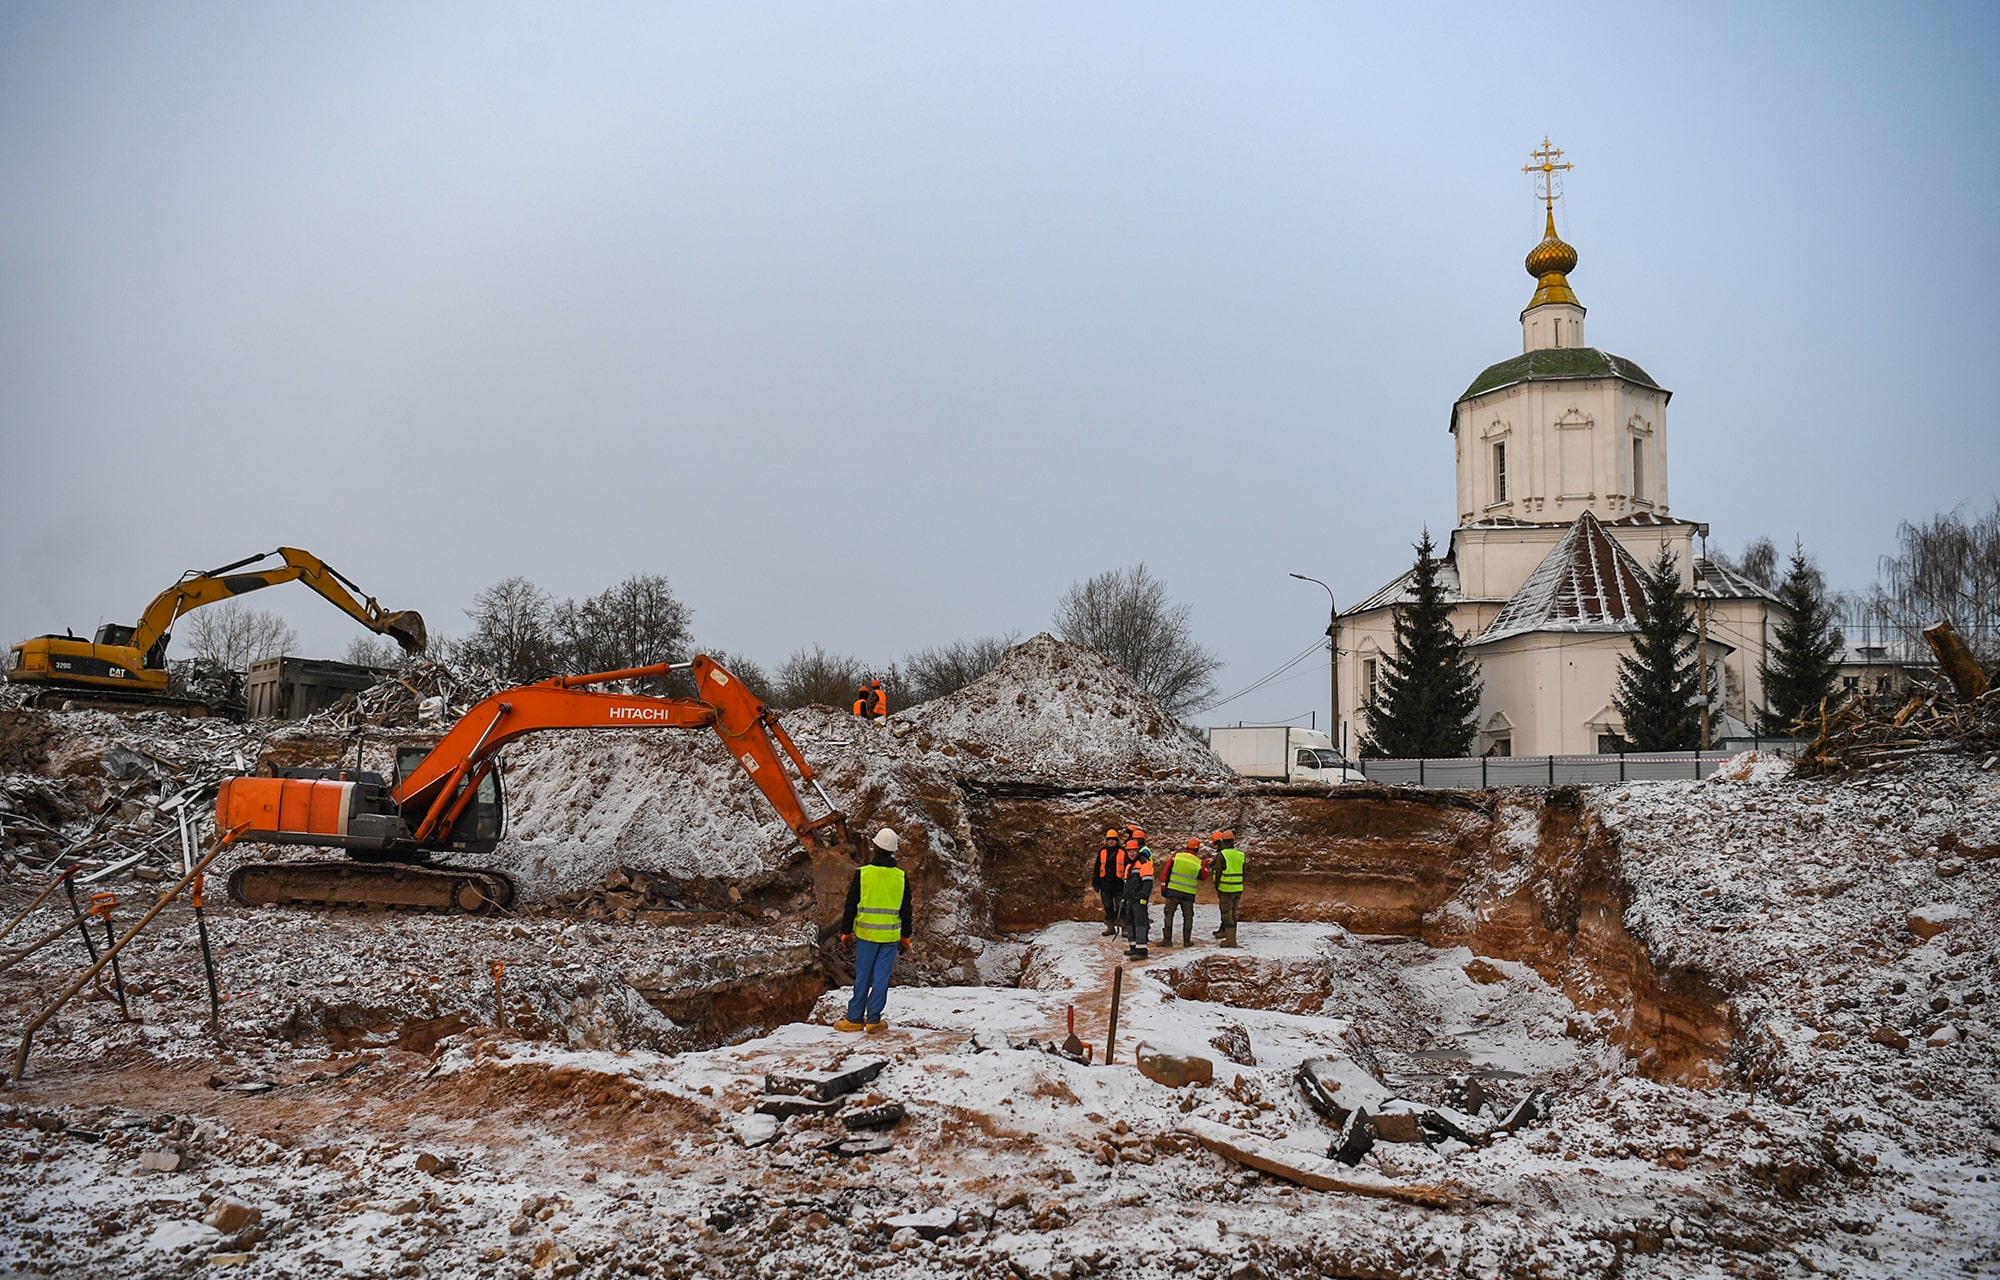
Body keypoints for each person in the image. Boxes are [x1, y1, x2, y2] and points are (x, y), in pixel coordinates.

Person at [836, 828, 912, 1032]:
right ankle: (874, 1020)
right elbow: (906, 909)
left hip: (866, 935)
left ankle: (854, 1019)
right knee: (881, 978)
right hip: (890, 937)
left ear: (875, 847)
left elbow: (850, 904)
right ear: (893, 851)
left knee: (862, 975)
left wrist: (846, 932)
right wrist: (906, 937)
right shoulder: (900, 877)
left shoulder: (863, 874)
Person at [1160, 837, 1205, 948]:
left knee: (1169, 915)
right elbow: (1203, 876)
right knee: (1188, 917)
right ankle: (1186, 941)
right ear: (1197, 850)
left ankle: (1167, 940)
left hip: (1173, 892)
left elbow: (1166, 872)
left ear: (1186, 847)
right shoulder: (1198, 862)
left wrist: (1163, 888)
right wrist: (1204, 865)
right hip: (1188, 895)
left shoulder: (1176, 857)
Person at [1209, 829, 1245, 948]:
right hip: (1238, 887)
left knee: (1226, 913)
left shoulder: (1222, 855)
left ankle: (1230, 940)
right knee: (1234, 912)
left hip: (1226, 888)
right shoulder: (1240, 855)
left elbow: (1218, 871)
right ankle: (1230, 936)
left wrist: (1217, 885)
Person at [1121, 833, 1154, 959]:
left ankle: (1141, 951)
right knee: (1130, 923)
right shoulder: (1129, 866)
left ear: (1137, 850)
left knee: (1140, 924)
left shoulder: (1144, 863)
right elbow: (1126, 884)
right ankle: (1133, 947)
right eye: (1129, 851)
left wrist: (1143, 898)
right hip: (1130, 899)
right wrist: (1124, 897)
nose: (1131, 853)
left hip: (1139, 900)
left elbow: (1147, 883)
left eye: (1133, 851)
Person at [1090, 829, 1124, 936]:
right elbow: (1097, 867)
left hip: (1119, 885)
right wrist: (1096, 882)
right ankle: (1110, 927)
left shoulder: (1122, 852)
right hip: (1105, 885)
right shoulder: (1102, 852)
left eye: (1113, 840)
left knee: (1121, 907)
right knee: (1108, 906)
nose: (1111, 842)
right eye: (1109, 840)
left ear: (1116, 840)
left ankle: (1124, 928)